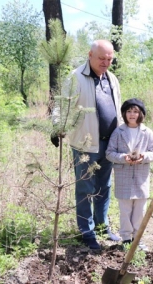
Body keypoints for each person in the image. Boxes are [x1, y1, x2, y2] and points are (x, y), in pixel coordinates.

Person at [51, 40, 123, 250]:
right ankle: (87, 231)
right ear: (89, 54)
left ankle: (102, 227)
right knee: (85, 188)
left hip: (110, 144)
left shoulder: (112, 78)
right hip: (85, 143)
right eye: (102, 58)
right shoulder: (75, 78)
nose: (105, 62)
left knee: (104, 186)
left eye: (109, 59)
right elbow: (62, 105)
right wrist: (57, 126)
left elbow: (117, 108)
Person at [106, 98, 153, 251]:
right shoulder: (118, 131)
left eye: (135, 111)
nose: (132, 114)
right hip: (123, 177)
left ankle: (138, 239)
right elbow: (109, 153)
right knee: (125, 210)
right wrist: (123, 158)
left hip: (141, 177)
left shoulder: (147, 132)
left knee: (139, 211)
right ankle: (126, 239)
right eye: (129, 111)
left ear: (141, 114)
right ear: (124, 114)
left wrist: (144, 157)